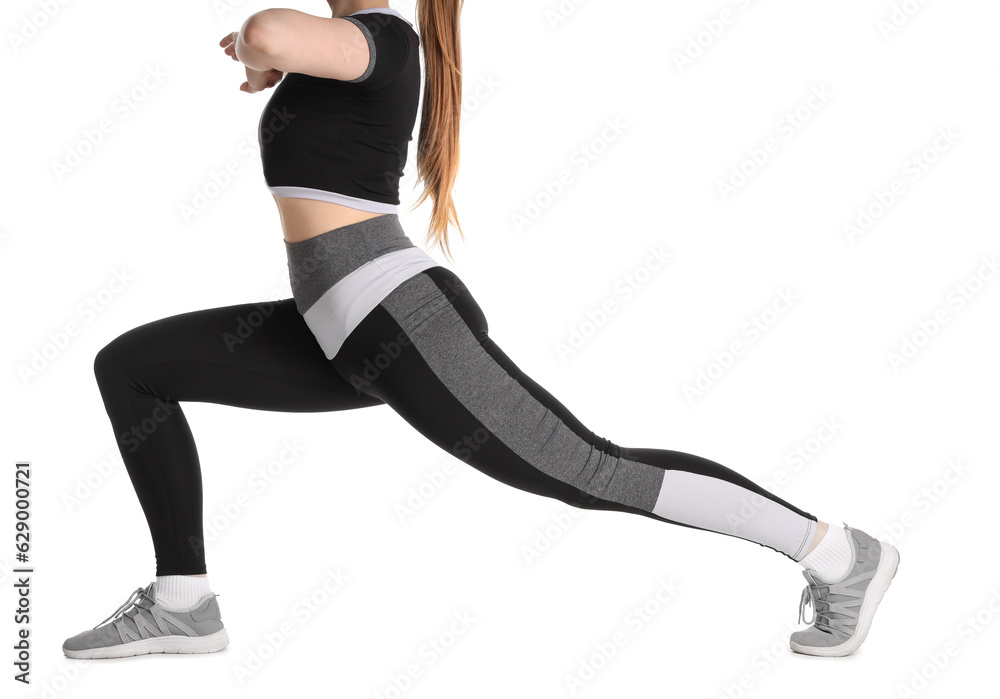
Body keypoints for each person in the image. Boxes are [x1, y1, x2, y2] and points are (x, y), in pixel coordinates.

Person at [62, 0, 899, 661]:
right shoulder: (349, 48)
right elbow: (281, 41)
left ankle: (837, 553)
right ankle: (184, 604)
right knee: (133, 367)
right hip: (335, 326)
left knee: (589, 469)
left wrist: (263, 48)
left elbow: (267, 27)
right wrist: (273, 60)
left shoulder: (382, 38)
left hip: (396, 315)